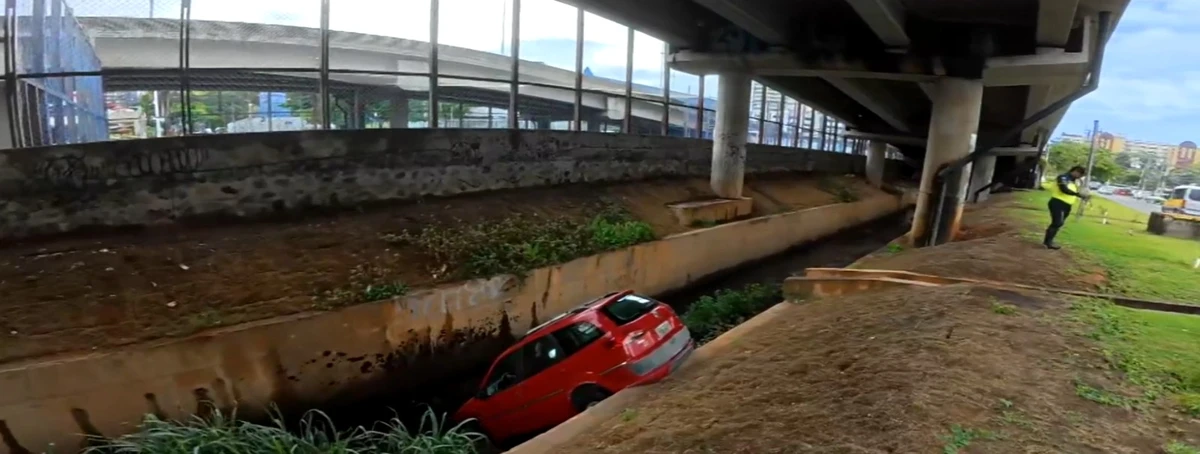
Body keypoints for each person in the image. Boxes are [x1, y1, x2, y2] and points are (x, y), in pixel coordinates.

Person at [1043, 165, 1090, 250]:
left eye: (1081, 175)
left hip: (1067, 205)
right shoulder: (1063, 177)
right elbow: (1063, 189)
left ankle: (1049, 241)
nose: (1080, 176)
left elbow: (1076, 191)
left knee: (1059, 224)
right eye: (1080, 174)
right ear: (1075, 171)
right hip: (1057, 202)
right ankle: (1048, 242)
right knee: (1057, 222)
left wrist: (1083, 195)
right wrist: (1077, 194)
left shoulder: (1074, 182)